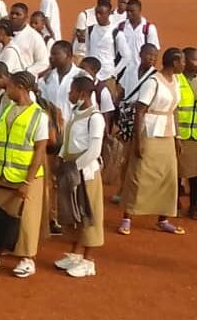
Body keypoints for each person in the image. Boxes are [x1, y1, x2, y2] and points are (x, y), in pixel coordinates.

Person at [0, 71, 49, 278]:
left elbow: (40, 150)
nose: (6, 89)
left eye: (10, 86)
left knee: (26, 218)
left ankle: (26, 258)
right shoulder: (6, 109)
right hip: (3, 173)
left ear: (20, 87)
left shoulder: (39, 115)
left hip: (25, 176)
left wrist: (28, 181)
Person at [119, 48, 185, 236]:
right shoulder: (153, 82)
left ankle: (163, 219)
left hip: (167, 134)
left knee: (168, 177)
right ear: (173, 62)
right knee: (139, 175)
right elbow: (140, 110)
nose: (184, 65)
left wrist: (177, 136)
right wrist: (138, 140)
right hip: (150, 132)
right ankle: (127, 218)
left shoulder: (177, 81)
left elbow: (175, 111)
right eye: (181, 61)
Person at [53, 76, 106, 278]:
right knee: (74, 213)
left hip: (85, 172)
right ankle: (75, 254)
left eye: (72, 91)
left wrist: (75, 168)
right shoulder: (77, 112)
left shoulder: (96, 118)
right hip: (71, 169)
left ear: (82, 94)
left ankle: (88, 260)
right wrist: (60, 158)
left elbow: (94, 150)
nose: (69, 95)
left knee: (88, 214)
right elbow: (67, 140)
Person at [178, 48, 197, 220]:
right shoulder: (176, 80)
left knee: (195, 175)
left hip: (195, 135)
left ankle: (194, 207)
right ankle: (173, 204)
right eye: (193, 60)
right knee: (175, 173)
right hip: (178, 134)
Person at [117, 0, 160, 72]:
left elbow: (154, 51)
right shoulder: (121, 27)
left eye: (132, 11)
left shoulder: (149, 28)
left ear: (139, 11)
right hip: (123, 70)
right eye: (127, 11)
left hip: (140, 69)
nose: (129, 14)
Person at [9, 4, 50, 75]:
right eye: (12, 13)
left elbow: (43, 63)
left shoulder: (34, 37)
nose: (14, 16)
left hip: (24, 81)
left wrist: (26, 72)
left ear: (26, 17)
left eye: (18, 14)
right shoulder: (4, 33)